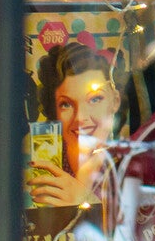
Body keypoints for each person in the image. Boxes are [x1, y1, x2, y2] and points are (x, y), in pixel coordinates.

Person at [28, 40, 124, 207]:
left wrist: (86, 200)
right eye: (66, 104)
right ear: (54, 109)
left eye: (95, 99)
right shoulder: (45, 162)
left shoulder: (129, 161)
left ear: (115, 101)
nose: (80, 117)